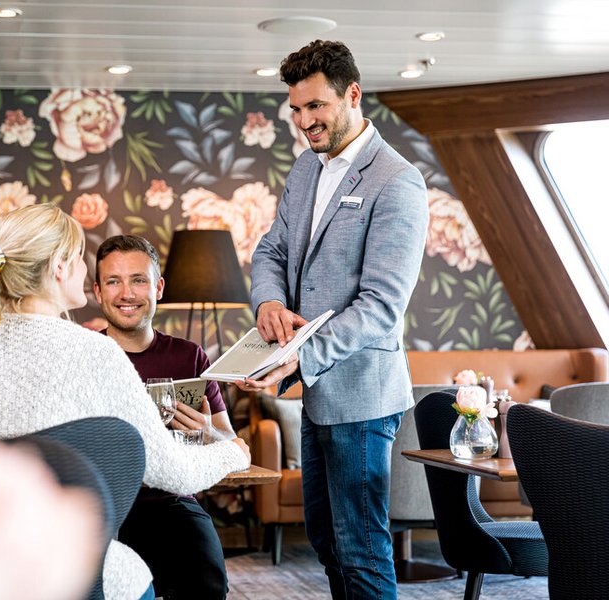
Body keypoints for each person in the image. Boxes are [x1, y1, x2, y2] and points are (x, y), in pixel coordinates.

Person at [0, 203, 250, 600]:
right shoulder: (93, 352)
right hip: (52, 561)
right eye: (81, 260)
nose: (88, 272)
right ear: (59, 266)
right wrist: (234, 453)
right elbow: (175, 475)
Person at [241, 40, 429, 600]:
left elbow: (381, 307)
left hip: (364, 398)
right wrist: (268, 304)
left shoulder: (397, 181)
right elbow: (271, 251)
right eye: (296, 110)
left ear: (352, 94)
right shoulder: (305, 169)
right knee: (325, 540)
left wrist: (301, 354)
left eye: (316, 107)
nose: (304, 122)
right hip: (318, 394)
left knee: (360, 548)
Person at [93, 234, 233, 600]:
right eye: (114, 281)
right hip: (102, 504)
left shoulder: (190, 357)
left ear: (158, 287)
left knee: (207, 580)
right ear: (97, 291)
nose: (127, 293)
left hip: (172, 501)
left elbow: (228, 440)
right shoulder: (81, 354)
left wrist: (206, 433)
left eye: (138, 280)